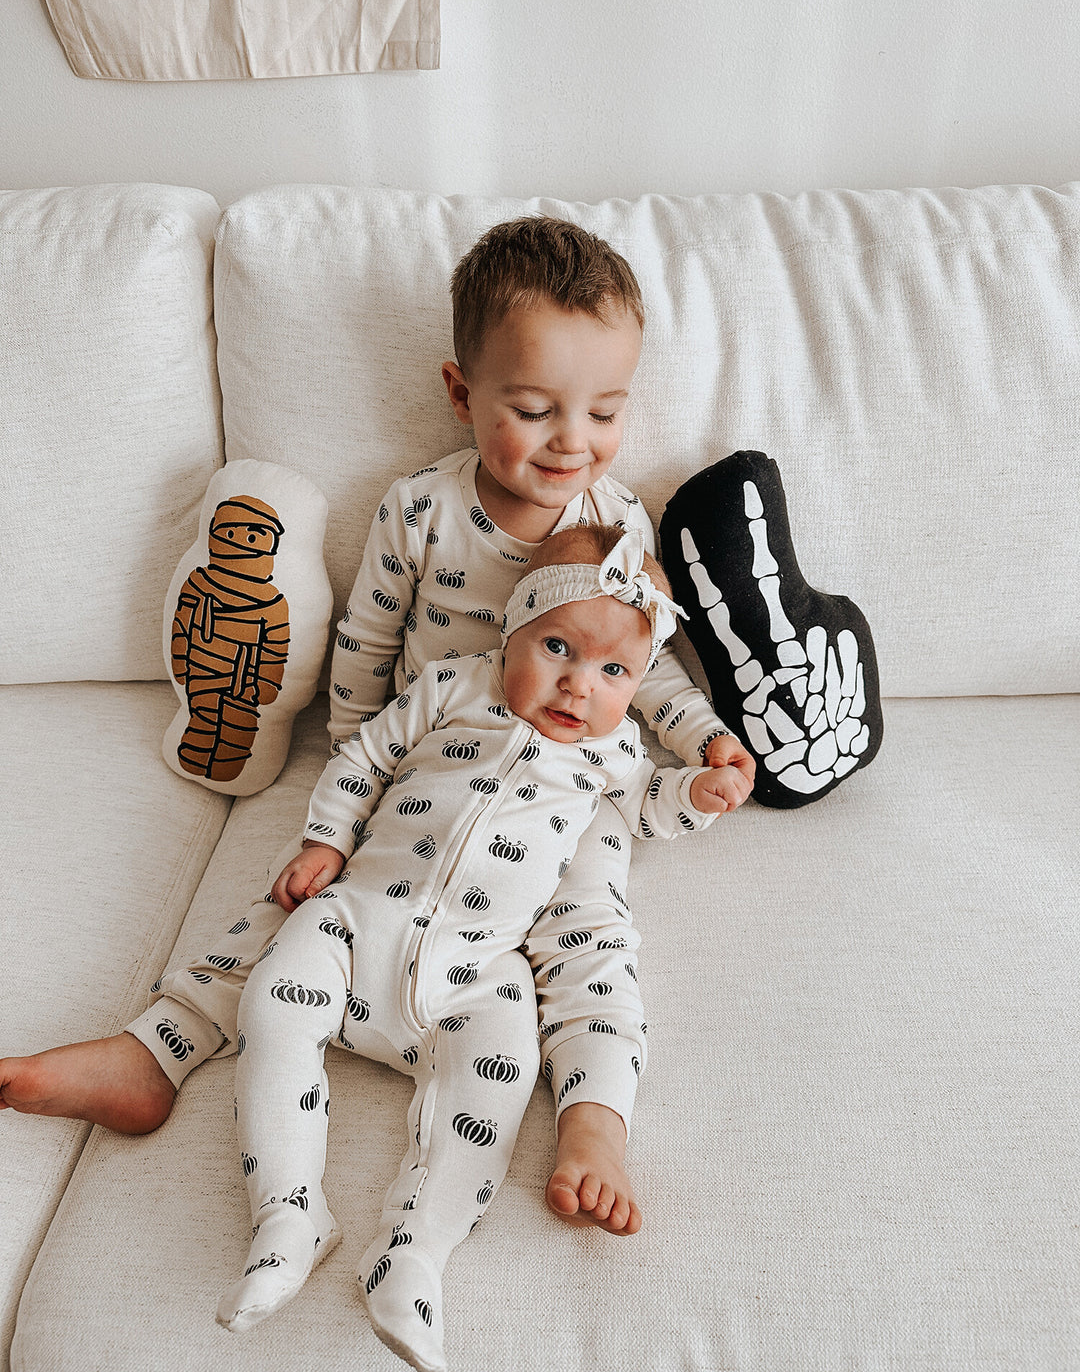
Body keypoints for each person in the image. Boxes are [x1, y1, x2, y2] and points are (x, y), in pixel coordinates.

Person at [0, 215, 755, 1236]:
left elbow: (648, 659)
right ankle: (155, 1049)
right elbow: (363, 649)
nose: (572, 441)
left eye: (605, 411)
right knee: (288, 910)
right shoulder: (420, 513)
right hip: (425, 767)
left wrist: (703, 739)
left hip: (578, 791)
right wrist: (347, 805)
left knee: (592, 943)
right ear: (462, 393)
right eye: (534, 409)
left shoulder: (622, 530)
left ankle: (595, 1119)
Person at [217, 525, 740, 1372]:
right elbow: (362, 756)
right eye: (559, 648)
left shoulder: (615, 754)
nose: (579, 686)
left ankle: (414, 1255)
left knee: (497, 1083)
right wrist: (323, 841)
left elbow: (653, 808)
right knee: (271, 1005)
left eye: (614, 672)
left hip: (477, 969)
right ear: (515, 628)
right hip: (357, 920)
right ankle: (287, 1211)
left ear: (639, 683)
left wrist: (700, 794)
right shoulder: (451, 687)